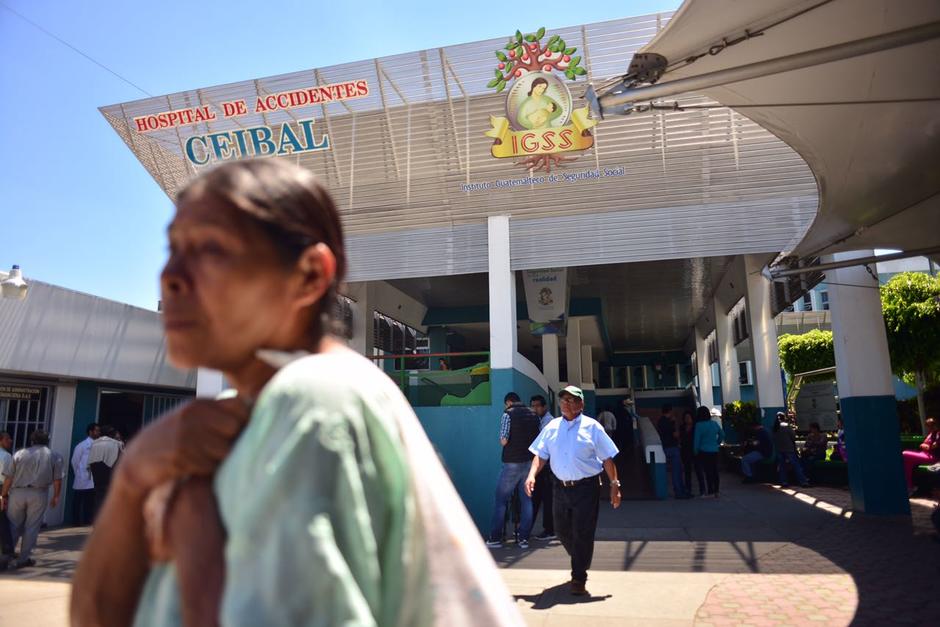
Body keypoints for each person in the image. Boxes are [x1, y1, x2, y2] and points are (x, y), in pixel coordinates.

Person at [70, 159, 522, 627]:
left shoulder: (311, 402)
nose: (171, 275)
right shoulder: (225, 423)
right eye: (173, 248)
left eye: (211, 248)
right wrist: (132, 482)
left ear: (309, 275)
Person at [525, 385, 620, 596]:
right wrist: (532, 475)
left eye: (571, 400)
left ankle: (579, 577)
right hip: (559, 487)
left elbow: (607, 459)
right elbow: (540, 454)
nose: (566, 403)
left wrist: (615, 485)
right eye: (563, 400)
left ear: (581, 404)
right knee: (561, 530)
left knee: (582, 532)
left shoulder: (592, 427)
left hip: (587, 488)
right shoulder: (551, 427)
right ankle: (580, 557)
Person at [0, 430, 65, 569]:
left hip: (17, 493)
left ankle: (5, 556)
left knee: (12, 525)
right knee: (32, 527)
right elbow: (57, 480)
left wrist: (3, 494)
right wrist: (56, 496)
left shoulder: (19, 454)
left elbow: (9, 478)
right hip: (38, 493)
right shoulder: (54, 456)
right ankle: (23, 559)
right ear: (47, 440)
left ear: (32, 440)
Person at [487, 392, 541, 549]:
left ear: (508, 403)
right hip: (530, 463)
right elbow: (539, 438)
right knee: (526, 500)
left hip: (512, 463)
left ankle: (495, 538)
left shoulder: (508, 414)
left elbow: (504, 440)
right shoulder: (534, 414)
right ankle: (524, 539)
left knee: (500, 500)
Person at [529, 394, 556, 541]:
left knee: (546, 499)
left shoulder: (548, 422)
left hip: (547, 466)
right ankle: (528, 529)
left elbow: (542, 444)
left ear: (544, 407)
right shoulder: (540, 420)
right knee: (536, 498)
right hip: (541, 465)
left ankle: (549, 530)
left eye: (537, 406)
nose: (535, 408)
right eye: (533, 406)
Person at [87, 425, 123, 517]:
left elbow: (90, 460)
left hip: (96, 473)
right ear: (112, 434)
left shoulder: (94, 443)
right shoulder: (116, 443)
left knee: (99, 498)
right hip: (110, 472)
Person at [657, 404, 690, 498]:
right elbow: (675, 434)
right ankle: (679, 491)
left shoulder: (660, 421)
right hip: (672, 447)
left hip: (664, 446)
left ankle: (679, 491)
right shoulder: (669, 422)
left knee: (675, 471)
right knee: (677, 471)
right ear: (670, 411)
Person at [901, 417, 939, 494]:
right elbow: (923, 445)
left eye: (931, 425)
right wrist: (924, 445)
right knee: (908, 462)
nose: (929, 427)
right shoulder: (930, 434)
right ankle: (910, 486)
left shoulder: (938, 433)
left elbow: (934, 446)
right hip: (924, 454)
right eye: (928, 425)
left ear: (935, 424)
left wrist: (925, 446)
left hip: (932, 457)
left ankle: (909, 487)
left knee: (905, 454)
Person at [71, 423, 100, 525]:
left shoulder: (98, 445)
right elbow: (74, 461)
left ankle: (88, 520)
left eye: (99, 431)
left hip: (93, 478)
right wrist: (79, 473)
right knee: (78, 501)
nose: (98, 432)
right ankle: (76, 521)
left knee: (90, 501)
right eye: (96, 430)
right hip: (81, 477)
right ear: (90, 432)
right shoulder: (82, 445)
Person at [692, 407, 724, 497]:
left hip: (703, 451)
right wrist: (717, 442)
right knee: (715, 470)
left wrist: (695, 451)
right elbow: (722, 434)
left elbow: (696, 440)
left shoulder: (699, 425)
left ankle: (710, 489)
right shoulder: (714, 424)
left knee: (707, 471)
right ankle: (716, 490)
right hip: (714, 450)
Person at [773, 412, 809, 488]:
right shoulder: (786, 426)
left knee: (782, 466)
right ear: (784, 418)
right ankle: (803, 481)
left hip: (779, 449)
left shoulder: (775, 427)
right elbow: (793, 437)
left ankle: (784, 481)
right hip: (789, 448)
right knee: (796, 465)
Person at [680, 410, 705, 497]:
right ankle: (688, 489)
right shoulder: (682, 427)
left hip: (695, 451)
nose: (687, 419)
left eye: (689, 417)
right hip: (685, 451)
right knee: (687, 471)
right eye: (685, 418)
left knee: (698, 470)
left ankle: (702, 490)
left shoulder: (696, 427)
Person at [0, 431, 14, 568]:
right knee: (3, 520)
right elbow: (8, 478)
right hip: (1, 488)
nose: (10, 441)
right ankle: (7, 550)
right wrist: (4, 495)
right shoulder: (7, 456)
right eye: (7, 439)